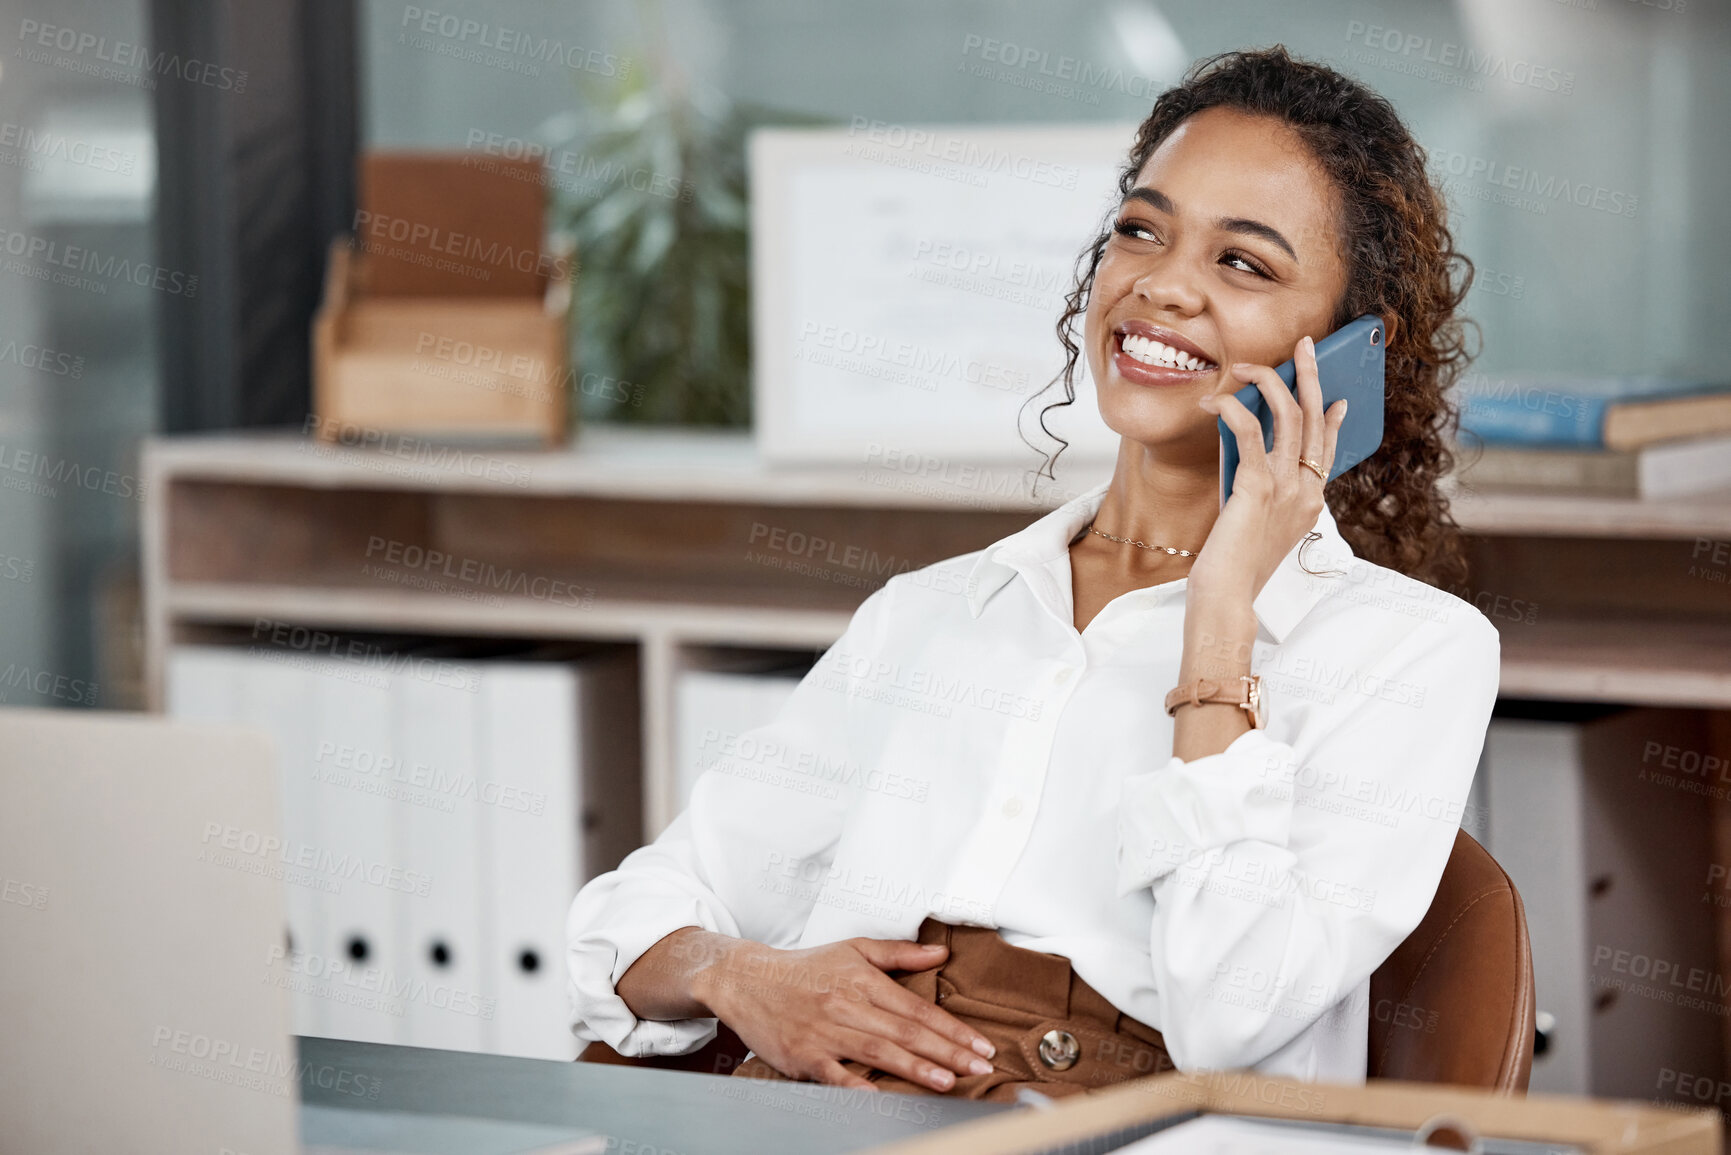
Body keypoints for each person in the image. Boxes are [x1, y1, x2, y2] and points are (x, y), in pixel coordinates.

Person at [565, 45, 1500, 1099]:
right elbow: (636, 915)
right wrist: (739, 975)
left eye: (1242, 263)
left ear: (1348, 350)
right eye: (1141, 231)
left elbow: (1230, 1015)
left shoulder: (1413, 651)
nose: (1161, 286)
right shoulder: (934, 614)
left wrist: (1222, 609)